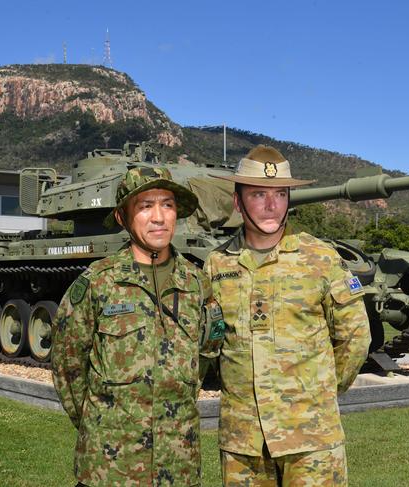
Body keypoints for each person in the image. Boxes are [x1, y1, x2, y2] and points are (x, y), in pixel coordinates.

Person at [205, 145, 371, 486]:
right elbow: (210, 345)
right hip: (243, 444)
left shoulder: (320, 259)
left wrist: (316, 395)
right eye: (258, 194)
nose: (271, 205)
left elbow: (355, 338)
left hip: (311, 440)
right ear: (238, 202)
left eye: (280, 194)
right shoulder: (217, 264)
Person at [52, 166, 222, 486]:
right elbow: (67, 365)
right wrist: (101, 423)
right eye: (145, 206)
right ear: (122, 217)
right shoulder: (98, 282)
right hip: (110, 466)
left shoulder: (197, 284)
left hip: (178, 463)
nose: (159, 217)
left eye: (167, 204)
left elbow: (203, 358)